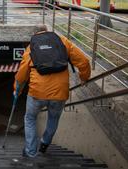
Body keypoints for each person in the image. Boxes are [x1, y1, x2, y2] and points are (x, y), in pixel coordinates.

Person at [14, 25, 91, 158]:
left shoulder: (31, 47)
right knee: (53, 118)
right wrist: (84, 78)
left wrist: (17, 91)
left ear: (35, 34)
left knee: (30, 118)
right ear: (48, 31)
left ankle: (31, 152)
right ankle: (44, 143)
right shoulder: (62, 41)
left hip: (37, 93)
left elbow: (22, 75)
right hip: (59, 93)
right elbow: (83, 61)